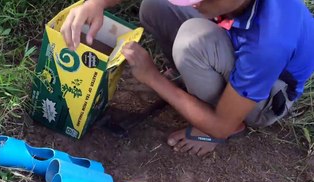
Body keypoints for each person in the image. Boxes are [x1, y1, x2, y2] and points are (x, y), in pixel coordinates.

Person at [60, 0, 314, 157]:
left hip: (267, 96)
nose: (192, 2)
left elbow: (221, 124)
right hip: (239, 47)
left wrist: (153, 78)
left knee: (193, 43)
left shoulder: (269, 42)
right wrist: (96, 3)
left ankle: (222, 121)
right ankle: (192, 78)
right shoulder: (233, 4)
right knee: (155, 6)